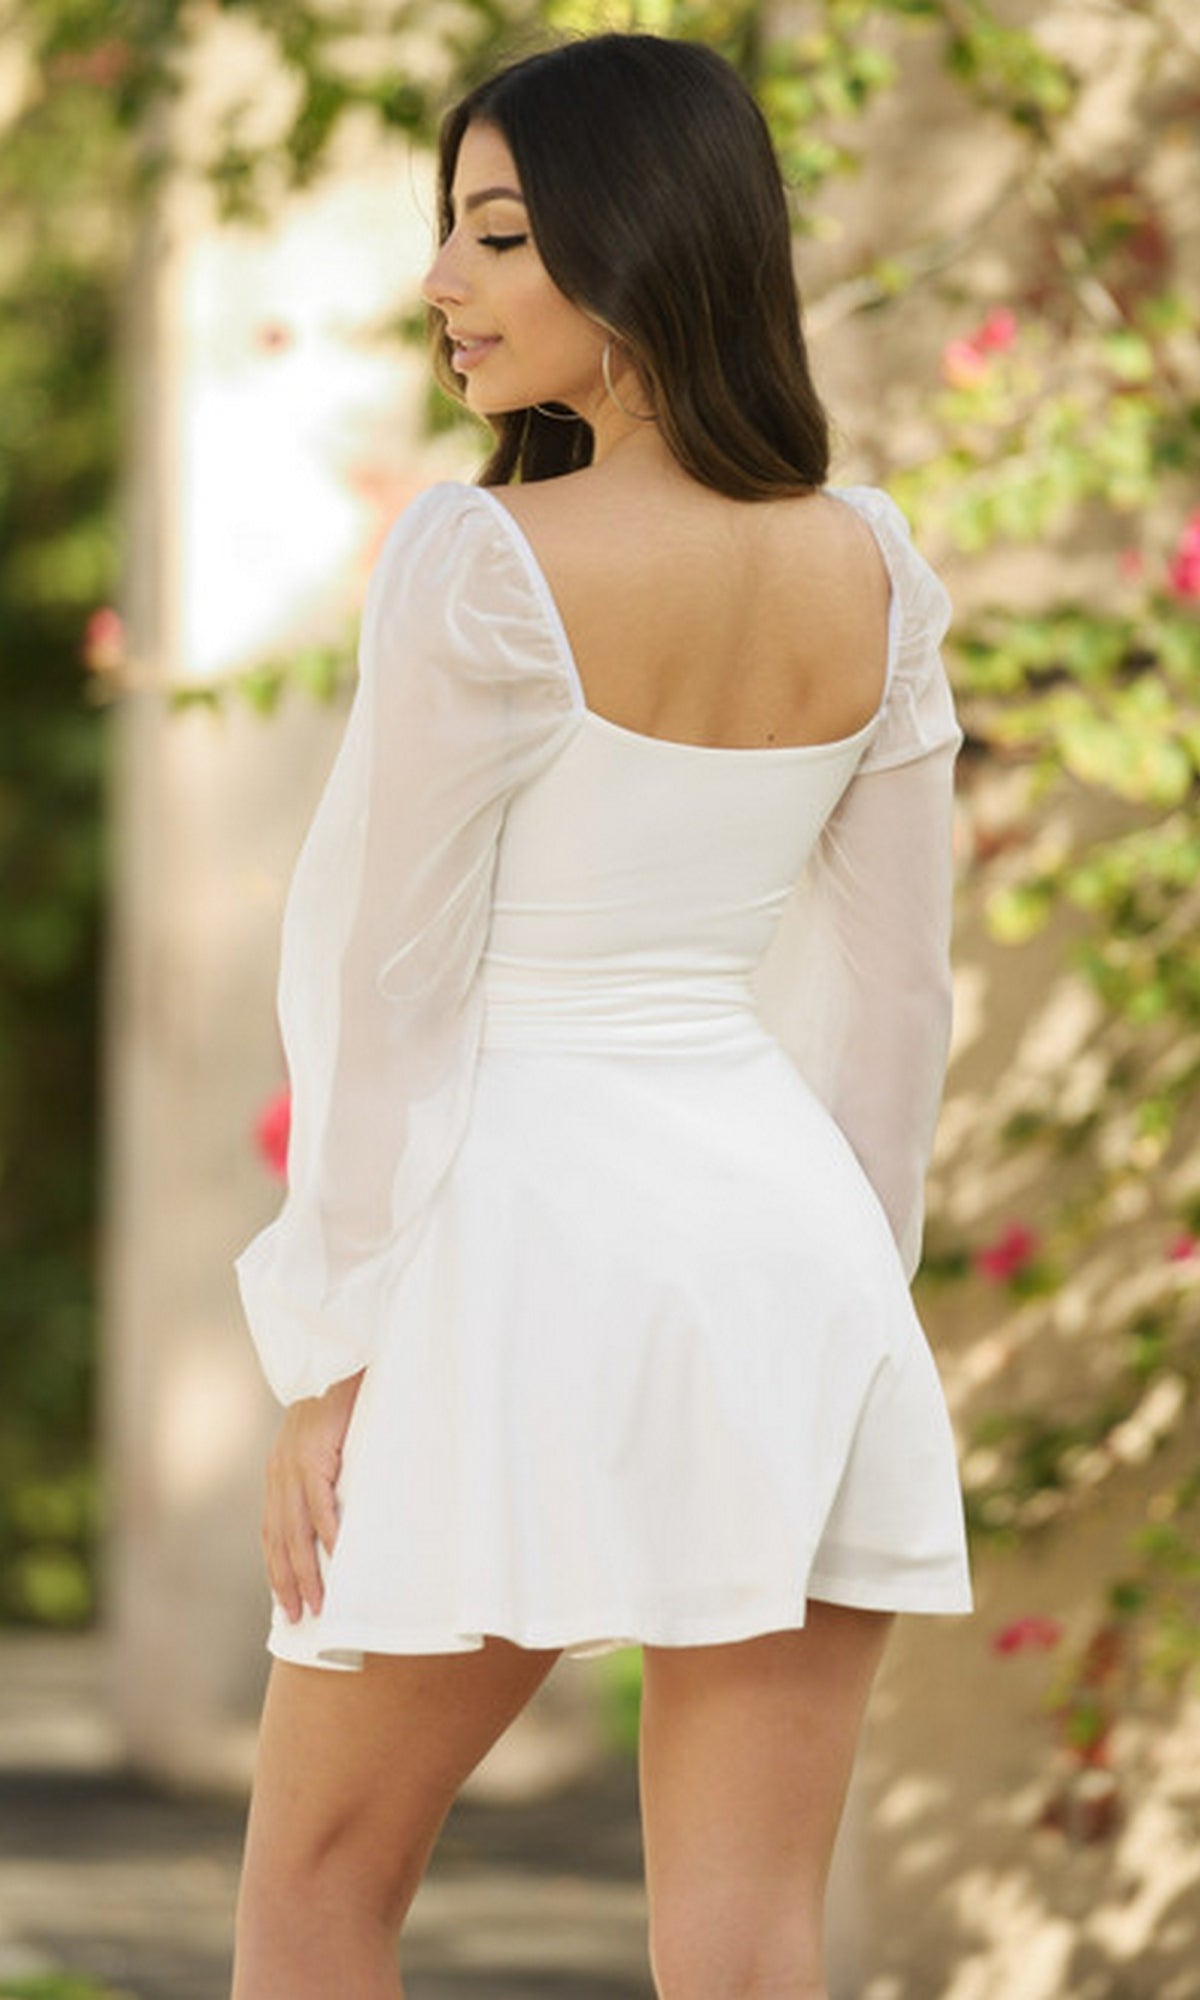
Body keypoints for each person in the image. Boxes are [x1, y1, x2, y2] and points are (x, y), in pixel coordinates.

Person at [230, 31, 971, 2000]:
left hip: (521, 1248)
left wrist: (330, 1339)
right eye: (446, 234)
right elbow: (900, 996)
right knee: (744, 1941)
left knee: (314, 1887)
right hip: (787, 1253)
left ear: (639, 242)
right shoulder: (876, 567)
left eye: (494, 234)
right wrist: (849, 1301)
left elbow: (379, 987)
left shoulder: (482, 561)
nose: (443, 285)